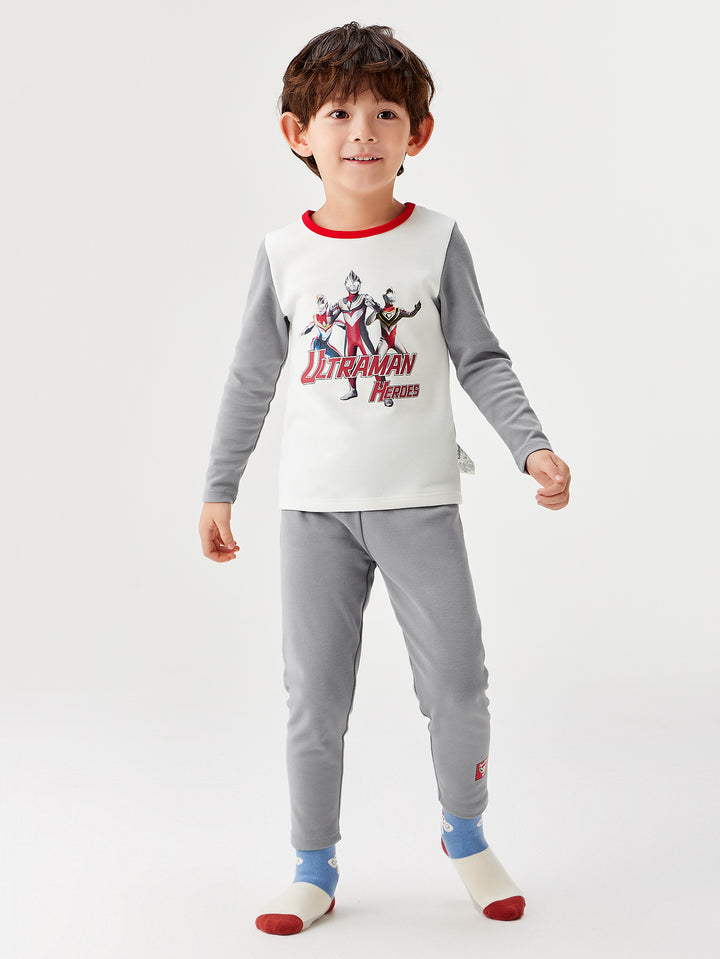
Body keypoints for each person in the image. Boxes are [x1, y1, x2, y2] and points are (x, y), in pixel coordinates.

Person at [198, 21, 571, 936]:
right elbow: (251, 377)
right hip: (314, 514)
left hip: (420, 506)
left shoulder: (436, 242)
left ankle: (466, 835)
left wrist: (530, 446)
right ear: (298, 133)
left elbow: (481, 357)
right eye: (339, 113)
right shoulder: (283, 254)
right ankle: (313, 865)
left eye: (385, 114)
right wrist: (219, 486)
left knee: (458, 686)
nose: (362, 131)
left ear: (418, 134)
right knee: (315, 700)